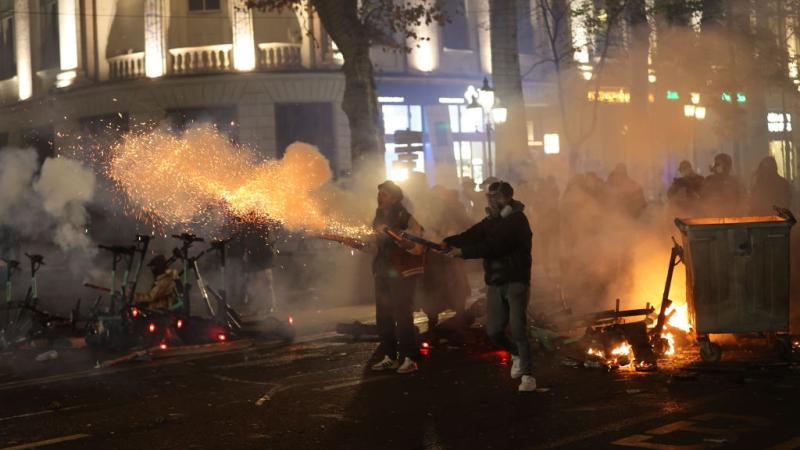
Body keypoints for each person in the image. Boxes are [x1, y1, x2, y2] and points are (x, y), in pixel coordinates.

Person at [442, 181, 537, 392]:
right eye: (489, 196)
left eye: (496, 196)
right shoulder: (491, 221)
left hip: (516, 281)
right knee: (494, 331)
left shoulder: (517, 220)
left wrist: (462, 253)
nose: (491, 200)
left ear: (507, 198)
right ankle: (517, 354)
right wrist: (447, 241)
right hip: (495, 282)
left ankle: (528, 376)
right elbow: (471, 234)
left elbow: (493, 247)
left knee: (519, 329)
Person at [370, 180, 426, 374]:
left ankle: (409, 357)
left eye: (384, 194)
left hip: (402, 273)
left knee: (402, 315)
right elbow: (374, 246)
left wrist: (407, 244)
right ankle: (389, 356)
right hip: (382, 272)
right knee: (383, 316)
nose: (379, 197)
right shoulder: (378, 218)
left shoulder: (406, 218)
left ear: (394, 199)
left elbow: (419, 246)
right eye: (379, 193)